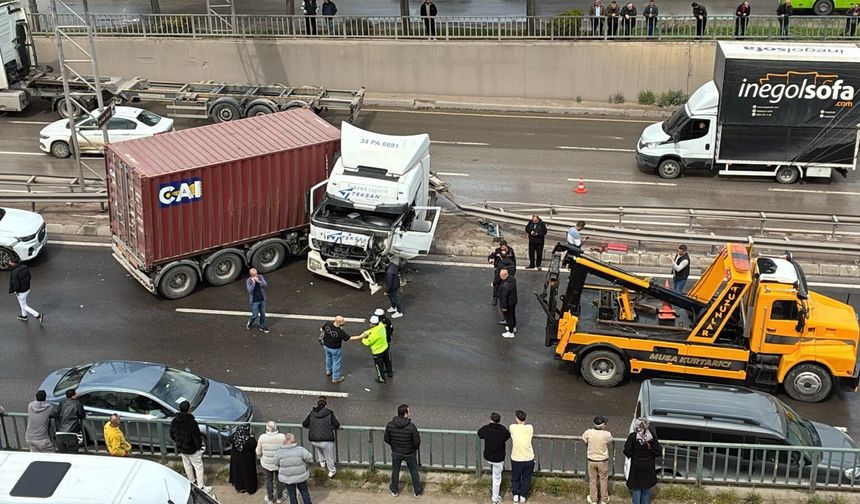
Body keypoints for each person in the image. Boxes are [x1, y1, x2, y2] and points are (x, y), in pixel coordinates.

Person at [169, 400, 210, 493]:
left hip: (182, 448)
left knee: (187, 465)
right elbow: (196, 437)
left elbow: (171, 434)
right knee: (198, 467)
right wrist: (198, 447)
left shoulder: (175, 421)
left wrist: (178, 442)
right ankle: (201, 487)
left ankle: (192, 482)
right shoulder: (192, 422)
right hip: (192, 449)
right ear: (189, 409)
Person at [384, 404, 423, 498]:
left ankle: (394, 490)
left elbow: (386, 439)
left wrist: (394, 445)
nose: (410, 413)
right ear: (405, 413)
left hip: (396, 452)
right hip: (409, 453)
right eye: (409, 411)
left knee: (395, 470)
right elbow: (417, 442)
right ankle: (417, 491)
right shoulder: (411, 427)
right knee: (413, 471)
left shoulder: (390, 424)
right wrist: (413, 448)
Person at [624, 418, 662, 504]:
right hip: (649, 465)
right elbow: (658, 451)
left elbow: (627, 451)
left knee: (636, 487)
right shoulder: (651, 436)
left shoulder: (633, 436)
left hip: (636, 466)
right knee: (646, 487)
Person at [302, 396, 341, 478]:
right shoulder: (329, 413)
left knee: (319, 448)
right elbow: (337, 424)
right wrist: (330, 427)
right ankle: (332, 470)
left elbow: (304, 424)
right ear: (325, 405)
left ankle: (322, 463)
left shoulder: (312, 413)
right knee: (329, 455)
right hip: (326, 440)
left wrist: (313, 427)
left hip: (314, 439)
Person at [477, 412, 510, 504]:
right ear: (499, 420)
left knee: (493, 469)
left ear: (490, 419)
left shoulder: (486, 428)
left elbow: (479, 433)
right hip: (498, 458)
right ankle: (495, 499)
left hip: (488, 456)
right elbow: (507, 436)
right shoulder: (502, 430)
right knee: (496, 478)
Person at [274, 433, 314, 504]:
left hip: (287, 477)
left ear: (284, 441)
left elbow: (276, 463)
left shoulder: (279, 452)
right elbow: (309, 458)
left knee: (292, 494)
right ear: (293, 440)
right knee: (304, 492)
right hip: (301, 475)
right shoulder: (300, 449)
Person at [583, 416, 613, 504]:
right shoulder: (606, 434)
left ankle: (593, 499)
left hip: (591, 460)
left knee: (592, 480)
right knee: (603, 480)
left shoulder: (589, 432)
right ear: (603, 425)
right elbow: (610, 440)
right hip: (602, 461)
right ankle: (604, 499)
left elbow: (584, 439)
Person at [257, 421, 286, 504]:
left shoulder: (262, 437)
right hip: (279, 463)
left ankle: (270, 498)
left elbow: (258, 451)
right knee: (279, 480)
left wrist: (261, 456)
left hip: (266, 463)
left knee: (268, 480)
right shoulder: (282, 437)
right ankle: (280, 497)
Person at [510, 410, 535, 504]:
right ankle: (523, 496)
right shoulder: (530, 428)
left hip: (516, 458)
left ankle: (516, 496)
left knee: (515, 478)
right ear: (525, 418)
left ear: (516, 418)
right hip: (529, 458)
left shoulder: (512, 427)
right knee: (526, 479)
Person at [8, 258, 43, 325]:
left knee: (24, 305)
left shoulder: (14, 272)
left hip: (21, 292)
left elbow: (16, 284)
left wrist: (16, 291)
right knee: (23, 303)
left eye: (9, 262)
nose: (9, 263)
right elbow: (29, 277)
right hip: (27, 289)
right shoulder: (24, 267)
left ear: (13, 263)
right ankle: (24, 316)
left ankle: (38, 315)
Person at [360, 316, 391, 383]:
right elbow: (371, 330)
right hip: (385, 347)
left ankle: (381, 379)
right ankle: (390, 372)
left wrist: (362, 338)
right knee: (387, 361)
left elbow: (367, 343)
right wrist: (366, 332)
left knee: (379, 366)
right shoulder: (381, 325)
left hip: (377, 352)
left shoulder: (374, 334)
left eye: (370, 323)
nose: (370, 324)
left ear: (373, 324)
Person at [320, 315, 351, 384]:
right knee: (336, 362)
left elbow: (321, 329)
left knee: (328, 358)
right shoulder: (340, 332)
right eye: (343, 321)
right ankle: (335, 378)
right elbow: (349, 338)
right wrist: (361, 336)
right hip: (335, 349)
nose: (344, 321)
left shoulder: (328, 323)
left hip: (326, 345)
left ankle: (328, 371)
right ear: (340, 323)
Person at [229, 423, 258, 494]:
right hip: (247, 461)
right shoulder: (250, 441)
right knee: (247, 475)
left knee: (238, 474)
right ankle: (248, 488)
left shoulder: (234, 437)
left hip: (236, 460)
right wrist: (252, 436)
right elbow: (254, 445)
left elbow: (230, 439)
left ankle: (239, 487)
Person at [56, 389, 85, 454]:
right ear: (73, 395)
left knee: (62, 455)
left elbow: (58, 414)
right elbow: (82, 415)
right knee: (72, 455)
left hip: (59, 433)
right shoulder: (77, 403)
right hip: (71, 433)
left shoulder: (62, 403)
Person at [246, 268, 269, 334]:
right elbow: (249, 291)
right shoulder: (248, 281)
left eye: (256, 274)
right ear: (251, 275)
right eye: (254, 275)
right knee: (255, 315)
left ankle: (263, 327)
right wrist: (253, 283)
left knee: (263, 314)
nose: (256, 275)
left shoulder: (260, 277)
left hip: (262, 299)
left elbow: (265, 285)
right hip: (254, 301)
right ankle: (250, 323)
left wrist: (259, 281)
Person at [374, 308, 395, 378]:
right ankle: (385, 370)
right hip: (380, 342)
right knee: (383, 357)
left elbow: (391, 329)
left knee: (387, 357)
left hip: (385, 342)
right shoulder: (377, 321)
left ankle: (389, 371)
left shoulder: (386, 321)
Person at [498, 269, 518, 339]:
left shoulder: (505, 286)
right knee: (512, 315)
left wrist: (504, 307)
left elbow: (504, 298)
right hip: (513, 301)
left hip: (508, 304)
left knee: (508, 317)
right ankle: (513, 327)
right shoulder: (512, 279)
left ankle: (510, 332)